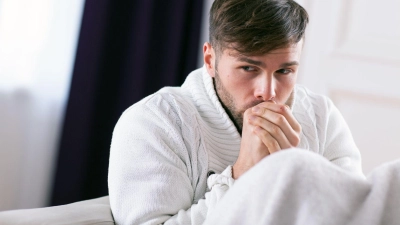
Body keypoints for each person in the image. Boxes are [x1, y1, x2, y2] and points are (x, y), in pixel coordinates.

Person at [108, 0, 364, 224]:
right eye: (249, 68)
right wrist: (242, 175)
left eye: (284, 71)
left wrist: (294, 174)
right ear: (210, 60)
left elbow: (356, 215)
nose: (268, 92)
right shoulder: (154, 123)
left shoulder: (322, 117)